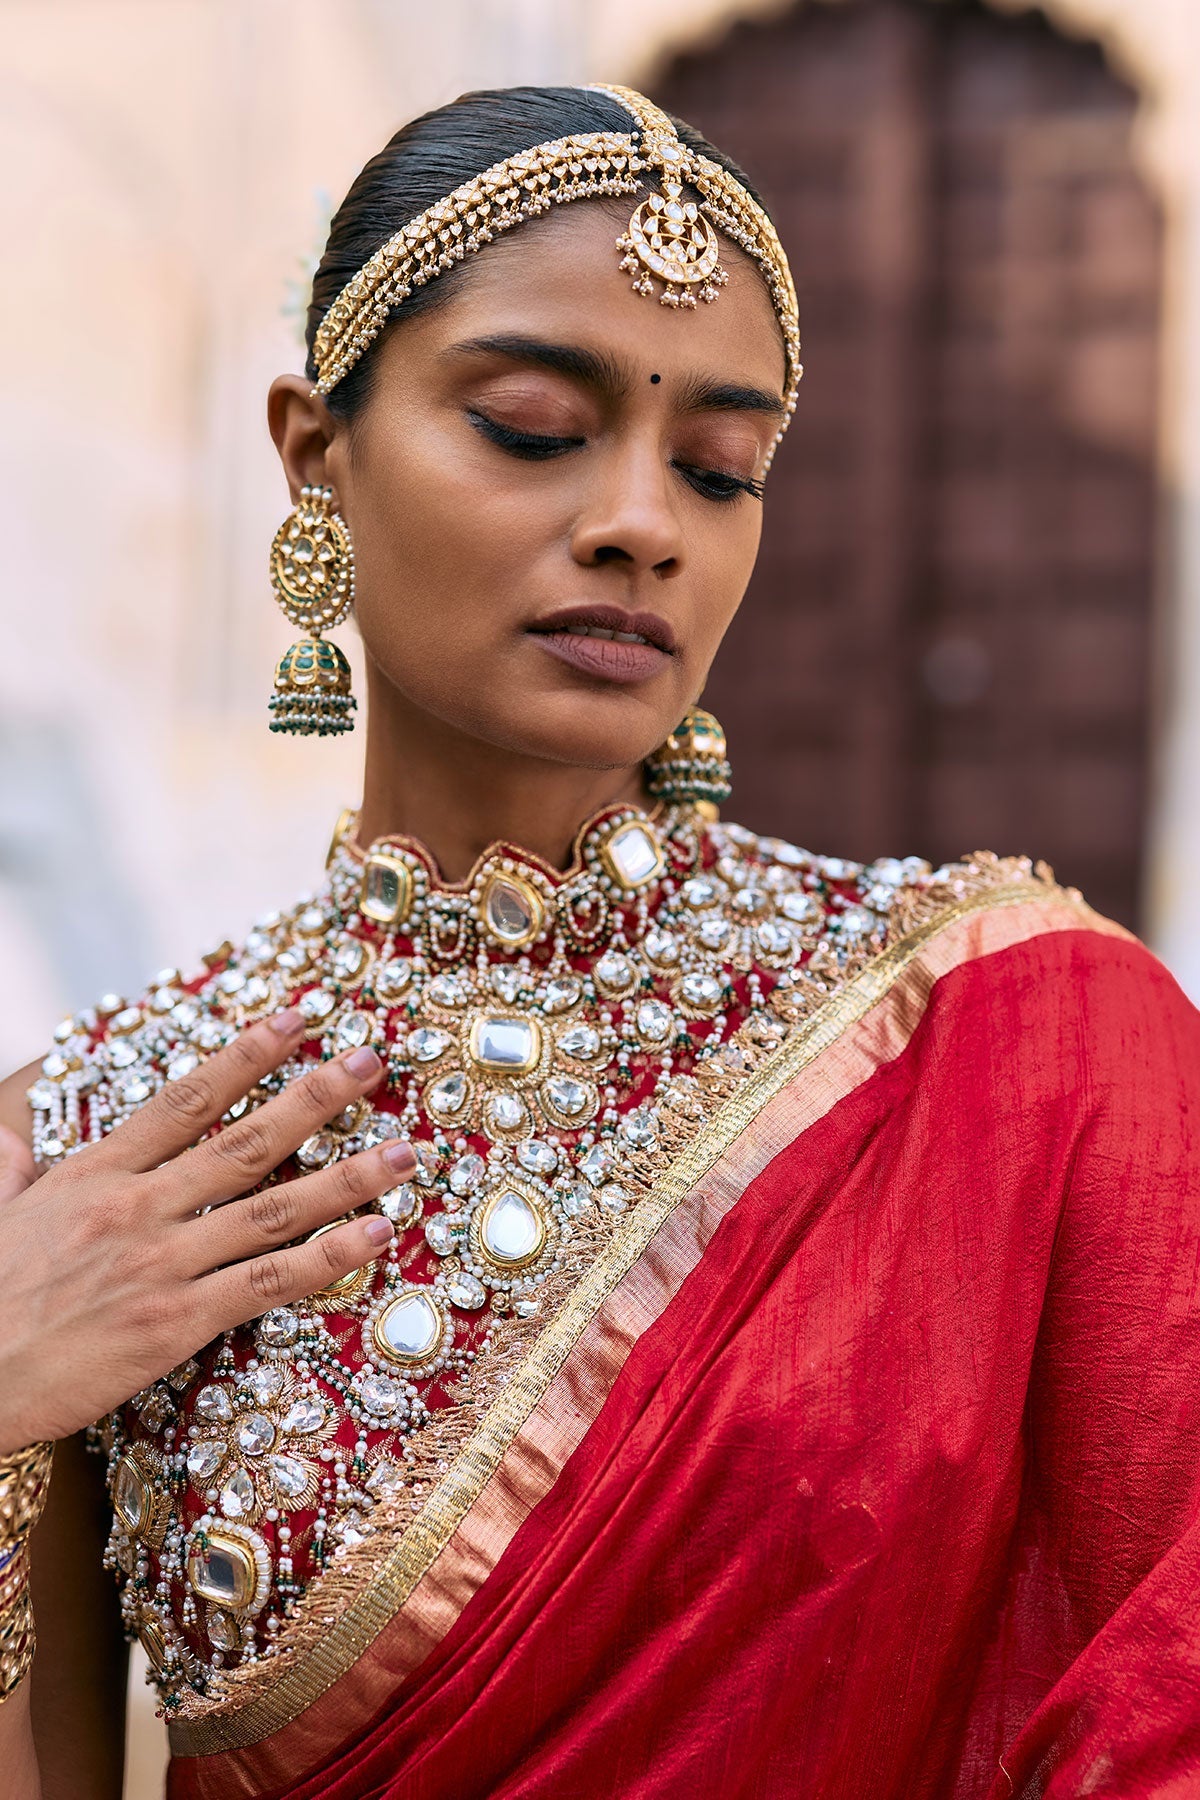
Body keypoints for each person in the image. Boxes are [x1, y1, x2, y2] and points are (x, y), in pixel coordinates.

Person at [1, 80, 1198, 1800]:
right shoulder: (92, 1143)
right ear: (313, 453)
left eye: (720, 467)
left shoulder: (1031, 1040)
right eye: (535, 429)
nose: (645, 520)